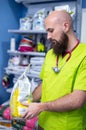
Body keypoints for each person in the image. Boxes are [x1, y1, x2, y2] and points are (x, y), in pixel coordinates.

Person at [22, 10, 86, 130]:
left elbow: (78, 100)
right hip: (43, 124)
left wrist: (41, 107)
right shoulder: (51, 54)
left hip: (68, 126)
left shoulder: (84, 55)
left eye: (51, 31)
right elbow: (45, 84)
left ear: (65, 26)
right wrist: (25, 100)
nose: (48, 37)